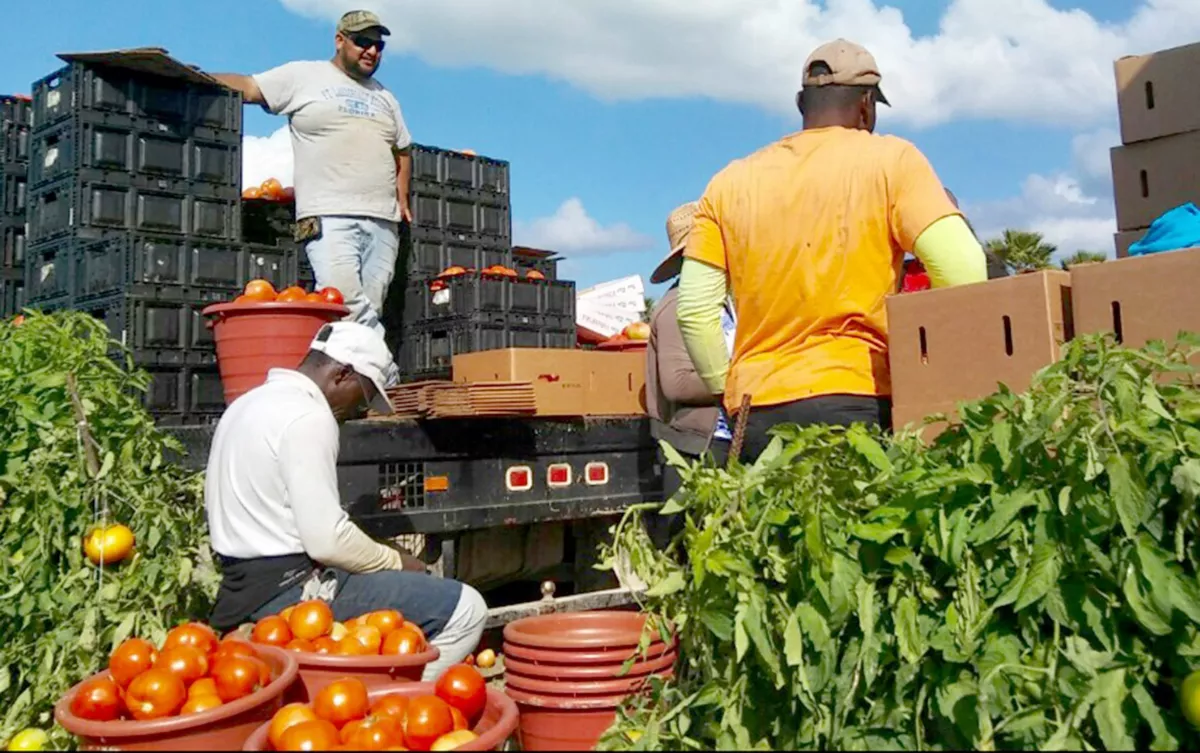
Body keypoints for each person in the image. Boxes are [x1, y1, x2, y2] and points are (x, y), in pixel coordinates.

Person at [677, 39, 988, 462]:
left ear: (801, 102)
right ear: (867, 105)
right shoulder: (892, 161)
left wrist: (725, 388)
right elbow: (964, 268)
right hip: (858, 399)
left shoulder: (728, 183)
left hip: (758, 410)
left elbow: (694, 312)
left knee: (772, 528)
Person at [204, 321, 486, 681]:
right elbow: (327, 540)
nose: (361, 410)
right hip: (289, 593)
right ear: (343, 374)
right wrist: (397, 561)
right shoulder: (309, 415)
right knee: (467, 608)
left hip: (238, 589)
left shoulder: (247, 403)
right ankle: (391, 707)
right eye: (365, 395)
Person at [213, 10, 413, 384]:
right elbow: (251, 86)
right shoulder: (304, 77)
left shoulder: (385, 97)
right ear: (340, 40)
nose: (371, 51)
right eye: (363, 42)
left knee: (371, 305)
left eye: (378, 45)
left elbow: (403, 149)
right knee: (346, 303)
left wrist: (401, 196)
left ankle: (356, 387)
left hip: (383, 220)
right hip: (329, 214)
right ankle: (384, 375)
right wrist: (201, 78)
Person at [644, 202, 735, 542]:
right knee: (693, 546)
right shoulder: (675, 309)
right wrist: (740, 379)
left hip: (724, 440)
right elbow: (677, 384)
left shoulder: (723, 303)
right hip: (695, 447)